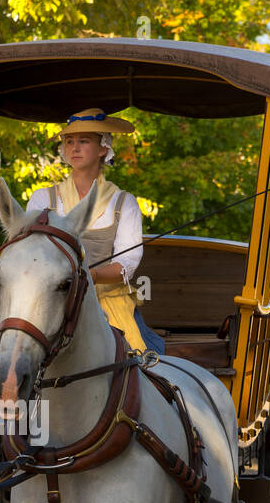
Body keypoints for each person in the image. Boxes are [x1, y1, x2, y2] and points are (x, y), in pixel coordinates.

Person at [25, 106, 165, 354]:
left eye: (83, 141)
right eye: (69, 141)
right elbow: (29, 253)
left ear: (103, 148)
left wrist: (90, 276)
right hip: (52, 300)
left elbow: (127, 263)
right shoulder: (42, 199)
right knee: (10, 352)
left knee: (147, 361)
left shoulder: (124, 203)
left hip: (108, 302)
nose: (74, 147)